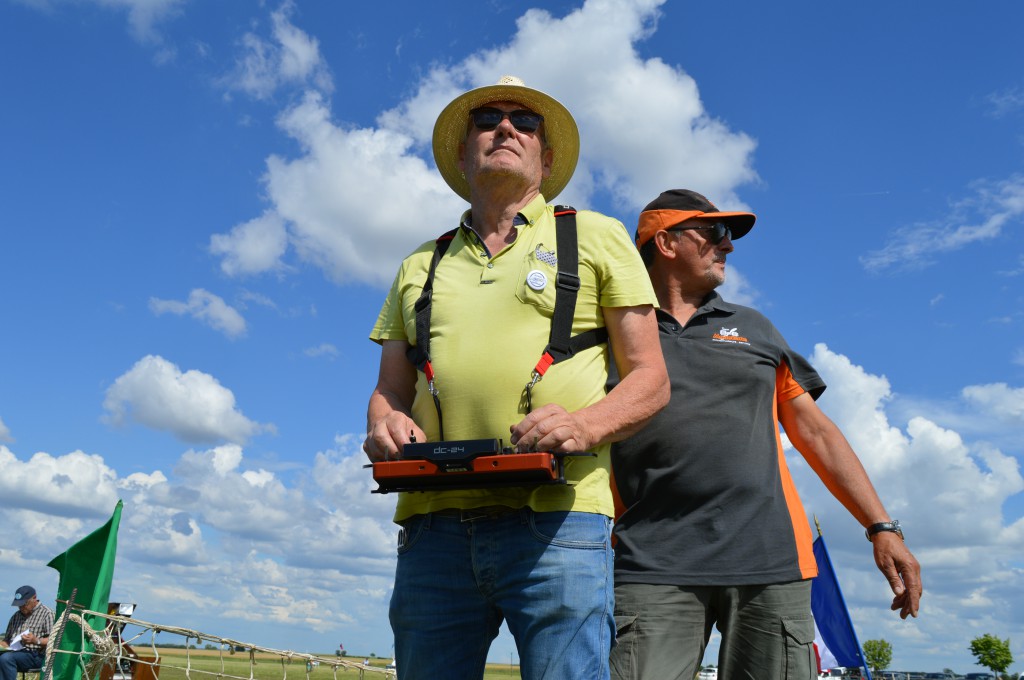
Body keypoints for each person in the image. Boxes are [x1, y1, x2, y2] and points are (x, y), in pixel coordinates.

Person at [364, 76, 669, 680]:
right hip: (434, 526)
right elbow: (390, 390)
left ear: (546, 158)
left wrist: (584, 426)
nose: (505, 127)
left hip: (560, 519)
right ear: (462, 152)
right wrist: (384, 423)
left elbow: (651, 379)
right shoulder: (419, 264)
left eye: (524, 122)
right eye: (487, 119)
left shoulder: (596, 235)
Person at [607, 189, 923, 680]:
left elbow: (815, 432)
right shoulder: (613, 332)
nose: (727, 246)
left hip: (771, 564)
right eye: (714, 233)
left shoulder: (754, 328)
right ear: (665, 242)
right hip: (651, 564)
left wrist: (881, 527)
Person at [1, 586, 53, 680]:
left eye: (24, 604)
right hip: (16, 653)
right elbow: (7, 641)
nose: (21, 607)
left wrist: (35, 640)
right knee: (5, 657)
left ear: (34, 598)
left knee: (6, 659)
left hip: (38, 656)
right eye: (19, 605)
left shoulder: (47, 614)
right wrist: (2, 645)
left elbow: (54, 640)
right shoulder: (16, 616)